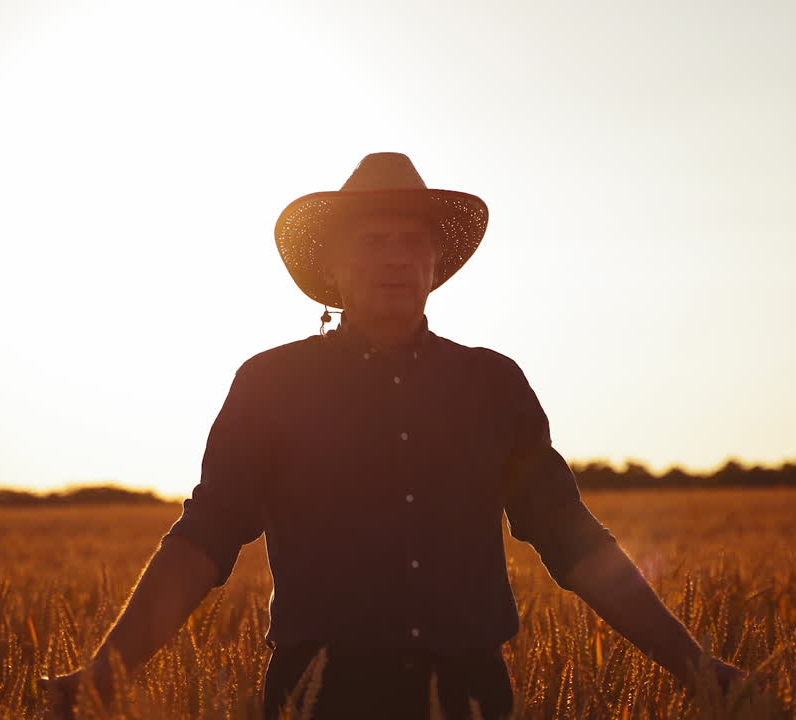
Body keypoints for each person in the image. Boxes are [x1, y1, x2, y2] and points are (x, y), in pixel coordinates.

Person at [39, 152, 746, 719]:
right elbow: (204, 538)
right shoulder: (271, 384)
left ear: (437, 268)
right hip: (319, 695)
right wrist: (107, 671)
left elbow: (573, 541)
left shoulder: (493, 385)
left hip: (471, 694)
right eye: (374, 243)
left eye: (414, 244)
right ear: (334, 271)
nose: (397, 259)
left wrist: (696, 667)